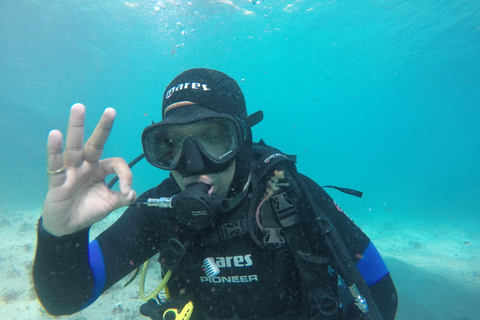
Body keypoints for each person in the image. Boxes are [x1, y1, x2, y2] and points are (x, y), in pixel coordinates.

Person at [33, 68, 398, 320]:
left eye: (214, 137)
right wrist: (61, 235)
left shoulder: (288, 194)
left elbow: (382, 292)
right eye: (170, 145)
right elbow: (65, 296)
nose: (193, 165)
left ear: (242, 141)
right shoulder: (162, 208)